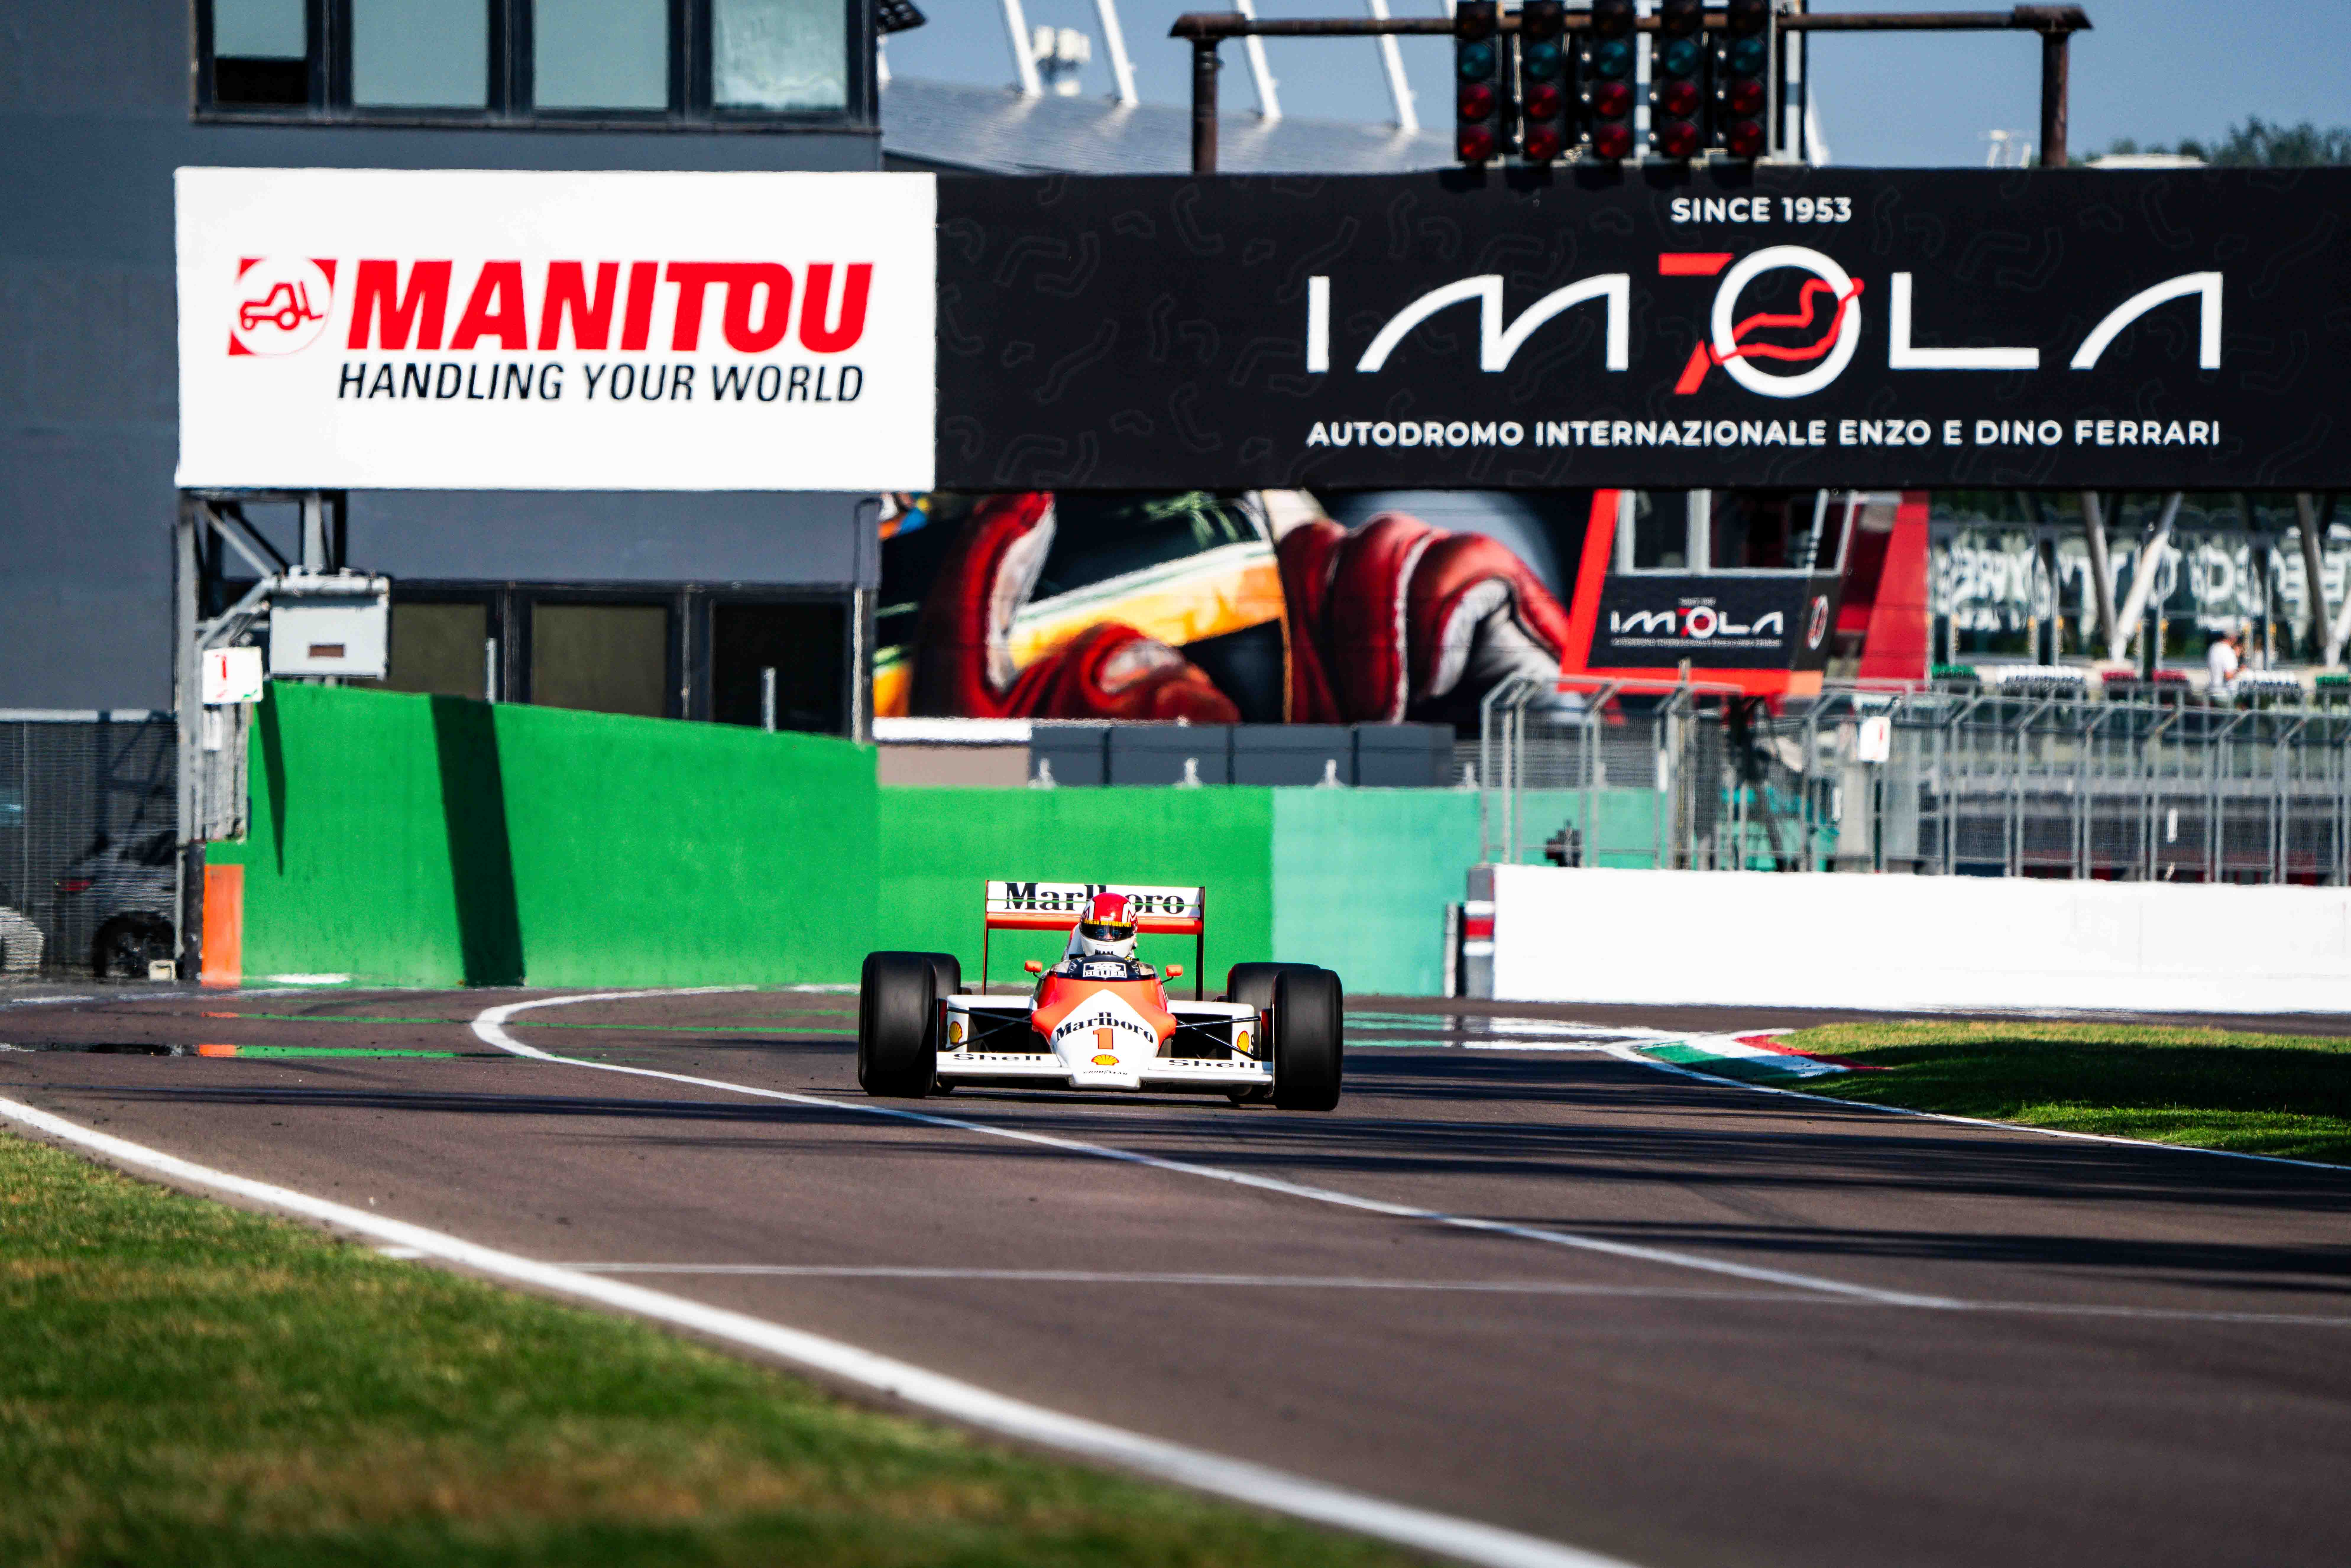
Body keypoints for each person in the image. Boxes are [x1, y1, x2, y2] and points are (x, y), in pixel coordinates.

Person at [1052, 892, 1151, 976]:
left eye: (1115, 933)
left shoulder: (1144, 974)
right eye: (1100, 932)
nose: (1107, 937)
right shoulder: (1062, 972)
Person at [2206, 629, 2242, 697]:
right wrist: (2240, 671)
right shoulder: (2228, 651)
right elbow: (2228, 676)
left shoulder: (2214, 648)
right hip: (2225, 694)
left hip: (2213, 690)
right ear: (2234, 638)